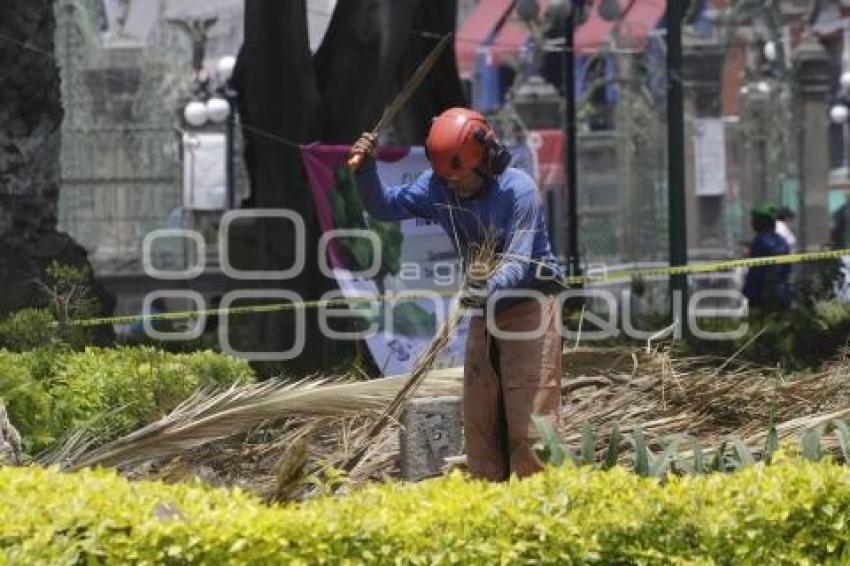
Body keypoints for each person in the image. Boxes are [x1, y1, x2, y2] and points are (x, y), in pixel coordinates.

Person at [349, 107, 563, 481]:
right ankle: (486, 506)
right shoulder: (438, 185)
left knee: (529, 427)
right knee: (480, 420)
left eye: (460, 178)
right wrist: (366, 169)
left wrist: (484, 287)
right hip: (485, 310)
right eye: (446, 178)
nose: (453, 187)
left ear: (488, 160)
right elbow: (382, 206)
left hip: (530, 307)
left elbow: (516, 261)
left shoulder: (518, 191)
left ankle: (536, 507)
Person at [742, 205, 791, 309]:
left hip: (763, 296)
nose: (751, 223)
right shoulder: (782, 241)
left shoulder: (760, 241)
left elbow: (756, 272)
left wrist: (748, 292)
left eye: (754, 220)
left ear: (760, 223)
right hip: (782, 294)